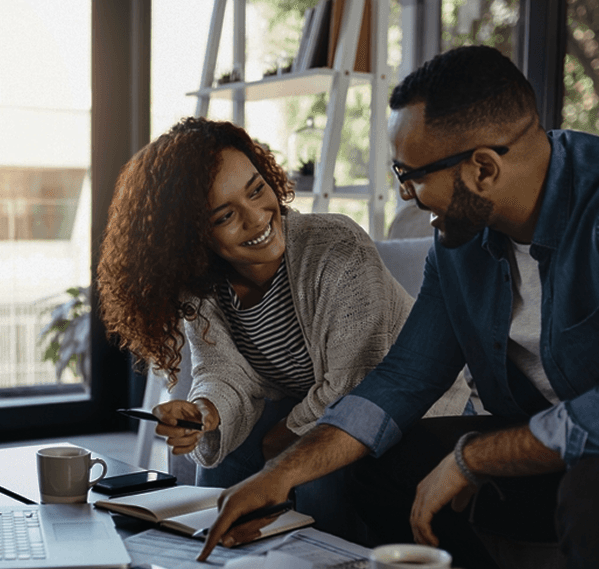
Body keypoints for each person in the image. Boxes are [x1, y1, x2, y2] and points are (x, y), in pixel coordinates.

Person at [198, 45, 599, 569]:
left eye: (410, 175)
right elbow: (401, 380)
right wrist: (282, 474)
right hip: (553, 449)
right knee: (380, 460)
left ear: (482, 168)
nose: (403, 195)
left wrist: (473, 457)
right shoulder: (460, 242)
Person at [96, 117, 469, 538]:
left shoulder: (336, 248)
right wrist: (203, 414)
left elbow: (355, 384)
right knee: (235, 449)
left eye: (256, 190)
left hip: (413, 413)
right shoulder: (202, 287)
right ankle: (210, 558)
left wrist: (281, 445)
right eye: (225, 216)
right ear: (191, 238)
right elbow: (223, 374)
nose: (256, 218)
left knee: (311, 463)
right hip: (319, 406)